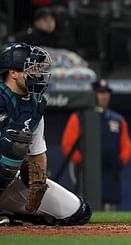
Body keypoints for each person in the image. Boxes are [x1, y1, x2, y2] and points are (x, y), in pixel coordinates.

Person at [0, 43, 91, 226]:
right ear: (13, 73)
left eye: (38, 69)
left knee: (78, 212)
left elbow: (37, 154)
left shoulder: (33, 105)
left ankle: (13, 213)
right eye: (31, 69)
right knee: (12, 142)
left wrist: (38, 183)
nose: (38, 75)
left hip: (7, 183)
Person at [61, 79, 131, 211]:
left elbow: (126, 145)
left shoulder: (117, 119)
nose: (104, 96)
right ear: (93, 94)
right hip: (88, 168)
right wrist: (82, 161)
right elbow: (68, 144)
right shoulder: (79, 117)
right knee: (86, 203)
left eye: (106, 93)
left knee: (110, 204)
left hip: (110, 168)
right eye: (100, 93)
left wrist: (120, 161)